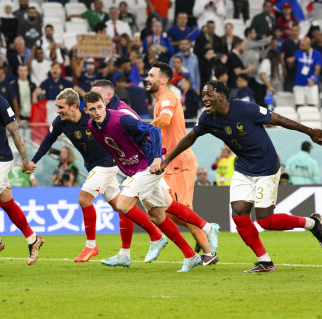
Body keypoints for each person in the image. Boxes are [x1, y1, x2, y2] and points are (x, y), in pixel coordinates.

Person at [160, 80, 322, 273]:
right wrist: (166, 161)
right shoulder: (207, 118)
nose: (205, 98)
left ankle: (312, 223)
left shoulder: (245, 109)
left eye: (209, 95)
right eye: (203, 95)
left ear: (222, 96)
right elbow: (190, 137)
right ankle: (265, 261)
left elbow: (280, 119)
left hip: (266, 166)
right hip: (243, 168)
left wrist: (310, 131)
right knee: (239, 214)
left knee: (266, 221)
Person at [84, 90, 220, 272]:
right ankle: (193, 250)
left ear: (104, 105)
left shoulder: (121, 119)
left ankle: (156, 236)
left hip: (148, 165)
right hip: (136, 169)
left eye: (100, 107)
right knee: (162, 211)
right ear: (87, 111)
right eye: (93, 109)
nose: (97, 111)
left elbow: (154, 130)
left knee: (123, 205)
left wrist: (157, 158)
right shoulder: (92, 126)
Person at [145, 62, 218, 265]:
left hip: (179, 163)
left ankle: (208, 248)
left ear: (164, 80)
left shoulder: (167, 97)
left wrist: (141, 128)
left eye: (151, 75)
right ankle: (204, 231)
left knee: (176, 210)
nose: (147, 79)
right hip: (169, 163)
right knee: (171, 210)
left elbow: (165, 120)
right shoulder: (160, 99)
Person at [0, 68, 44, 265]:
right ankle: (33, 238)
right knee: (7, 203)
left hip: (2, 157)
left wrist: (25, 161)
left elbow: (15, 133)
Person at [293, 37, 322, 107]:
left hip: (311, 84)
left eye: (302, 45)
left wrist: (313, 79)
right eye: (300, 45)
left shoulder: (317, 54)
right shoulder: (297, 53)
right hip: (299, 83)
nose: (300, 47)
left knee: (312, 105)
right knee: (299, 105)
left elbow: (317, 69)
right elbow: (292, 65)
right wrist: (289, 62)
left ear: (308, 45)